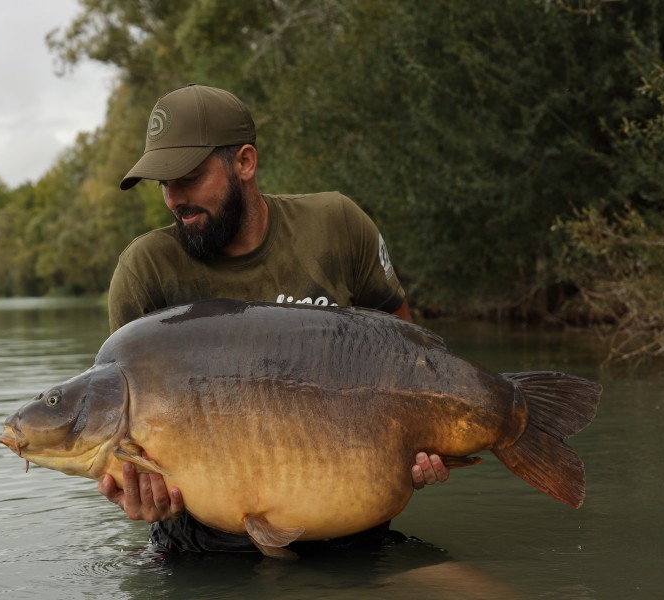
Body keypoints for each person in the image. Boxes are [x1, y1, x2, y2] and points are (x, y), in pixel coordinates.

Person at [98, 84, 450, 554]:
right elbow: (128, 440)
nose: (174, 198)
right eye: (164, 183)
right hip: (205, 544)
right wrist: (138, 495)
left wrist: (423, 441)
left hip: (344, 522)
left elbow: (408, 354)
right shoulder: (145, 272)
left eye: (189, 176)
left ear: (244, 162)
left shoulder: (337, 226)